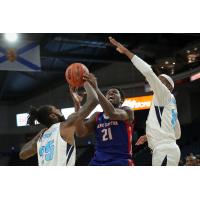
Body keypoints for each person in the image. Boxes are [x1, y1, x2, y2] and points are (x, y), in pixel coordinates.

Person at [109, 36, 181, 166]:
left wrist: (126, 51)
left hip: (164, 149)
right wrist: (150, 136)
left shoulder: (164, 94)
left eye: (160, 80)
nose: (156, 82)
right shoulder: (167, 102)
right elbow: (177, 133)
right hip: (166, 148)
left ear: (168, 86)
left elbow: (148, 71)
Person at [19, 80, 98, 166]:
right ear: (53, 116)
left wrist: (77, 104)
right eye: (56, 109)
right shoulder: (64, 126)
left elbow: (22, 154)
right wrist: (85, 81)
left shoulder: (42, 135)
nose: (59, 110)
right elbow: (93, 100)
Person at [75, 74, 135, 166]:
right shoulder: (97, 116)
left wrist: (96, 88)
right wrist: (78, 108)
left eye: (115, 92)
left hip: (120, 161)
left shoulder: (127, 111)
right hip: (97, 162)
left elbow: (112, 114)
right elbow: (80, 133)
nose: (111, 93)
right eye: (108, 93)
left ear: (121, 100)